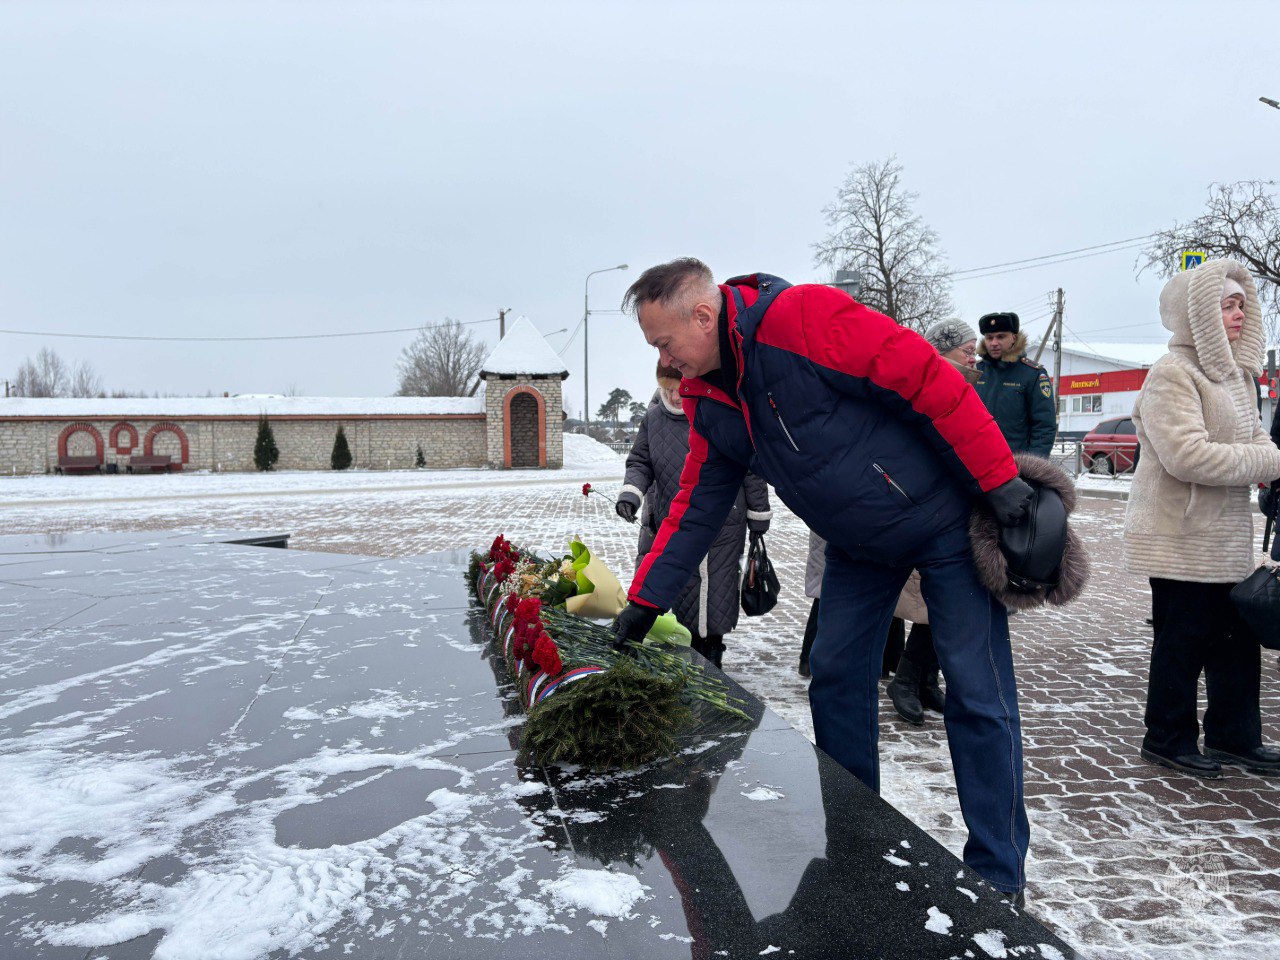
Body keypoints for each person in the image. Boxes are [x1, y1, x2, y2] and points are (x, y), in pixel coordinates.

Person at [612, 258, 1034, 901]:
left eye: (665, 343)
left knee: (978, 690)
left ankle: (998, 874)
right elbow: (696, 504)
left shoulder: (802, 320)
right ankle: (857, 836)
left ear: (702, 315)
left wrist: (998, 480)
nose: (664, 361)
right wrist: (646, 600)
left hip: (941, 520)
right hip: (858, 544)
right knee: (835, 677)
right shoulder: (709, 398)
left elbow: (924, 376)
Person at [1124, 259, 1280, 778]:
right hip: (1180, 533)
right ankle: (1166, 738)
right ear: (1197, 315)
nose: (1239, 314)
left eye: (1241, 305)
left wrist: (1264, 458)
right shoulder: (1173, 372)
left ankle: (1235, 737)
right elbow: (1187, 456)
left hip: (1227, 534)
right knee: (1183, 640)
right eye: (1226, 305)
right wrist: (1268, 462)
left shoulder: (1236, 375)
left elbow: (1258, 441)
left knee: (1236, 641)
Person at [616, 362, 771, 667]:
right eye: (668, 390)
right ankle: (682, 645)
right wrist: (630, 494)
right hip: (670, 518)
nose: (675, 396)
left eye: (679, 388)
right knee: (677, 585)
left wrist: (758, 512)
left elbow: (749, 466)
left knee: (718, 587)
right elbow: (640, 462)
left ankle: (713, 650)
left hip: (724, 521)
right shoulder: (653, 418)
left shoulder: (713, 411)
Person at [885, 318, 982, 725]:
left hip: (960, 507)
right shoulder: (927, 384)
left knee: (947, 602)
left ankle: (925, 680)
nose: (974, 356)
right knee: (933, 599)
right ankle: (906, 680)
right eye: (967, 349)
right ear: (943, 351)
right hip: (928, 507)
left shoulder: (967, 385)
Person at [974, 312, 1057, 458]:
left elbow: (1044, 427)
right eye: (989, 337)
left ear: (1013, 338)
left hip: (1015, 464)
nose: (994, 343)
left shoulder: (1032, 374)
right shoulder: (975, 371)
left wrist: (1031, 466)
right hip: (977, 460)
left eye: (1001, 337)